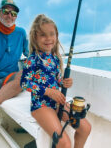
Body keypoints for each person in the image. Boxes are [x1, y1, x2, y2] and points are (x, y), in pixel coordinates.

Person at [20, 14, 91, 148]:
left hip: (57, 103)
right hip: (40, 106)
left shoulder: (54, 58)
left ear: (56, 36)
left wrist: (63, 82)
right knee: (64, 142)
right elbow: (24, 83)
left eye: (52, 34)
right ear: (35, 37)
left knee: (85, 127)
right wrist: (48, 91)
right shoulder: (33, 59)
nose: (48, 38)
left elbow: (55, 80)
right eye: (43, 35)